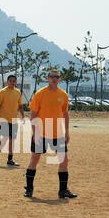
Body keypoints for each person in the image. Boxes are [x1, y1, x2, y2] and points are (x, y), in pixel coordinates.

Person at [24, 70, 77, 199]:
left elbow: (65, 113)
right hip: (41, 132)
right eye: (52, 76)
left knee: (64, 160)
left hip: (58, 133)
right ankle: (29, 189)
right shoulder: (40, 94)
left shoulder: (63, 95)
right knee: (35, 159)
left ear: (59, 79)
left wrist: (67, 132)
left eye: (57, 77)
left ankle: (63, 190)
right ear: (47, 78)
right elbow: (33, 114)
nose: (54, 78)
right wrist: (35, 132)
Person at [0, 75, 25, 167]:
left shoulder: (18, 92)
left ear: (16, 82)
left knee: (12, 140)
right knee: (6, 137)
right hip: (3, 119)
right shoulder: (2, 92)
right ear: (7, 82)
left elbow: (20, 106)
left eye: (14, 81)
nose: (12, 82)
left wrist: (23, 116)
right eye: (10, 81)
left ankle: (10, 159)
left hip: (14, 120)